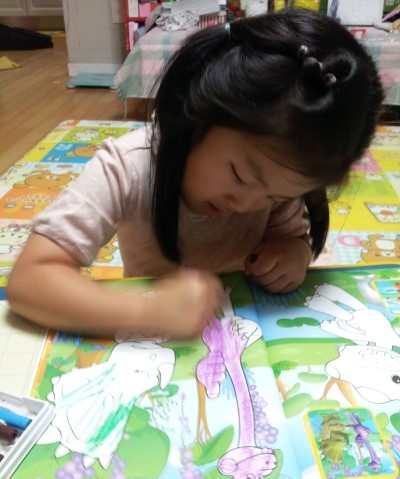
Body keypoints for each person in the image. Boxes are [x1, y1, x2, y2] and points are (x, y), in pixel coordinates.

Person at [6, 9, 383, 339]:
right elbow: (28, 281)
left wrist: (293, 253)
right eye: (240, 176)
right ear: (197, 113)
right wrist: (147, 311)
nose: (247, 204)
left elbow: (291, 236)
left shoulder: (274, 179)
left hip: (239, 327)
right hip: (149, 336)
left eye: (275, 197)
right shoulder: (129, 167)